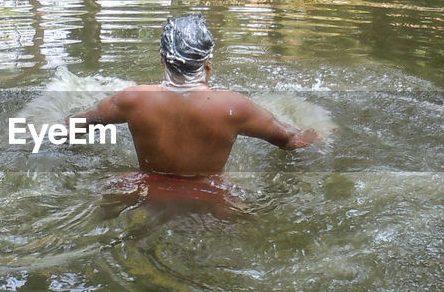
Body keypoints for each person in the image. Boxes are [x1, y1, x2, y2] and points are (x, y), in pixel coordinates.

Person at [71, 15, 324, 179]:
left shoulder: (133, 99)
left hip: (146, 191)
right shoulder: (234, 106)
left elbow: (76, 125)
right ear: (208, 64)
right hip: (211, 200)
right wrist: (323, 132)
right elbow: (291, 141)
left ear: (162, 60)